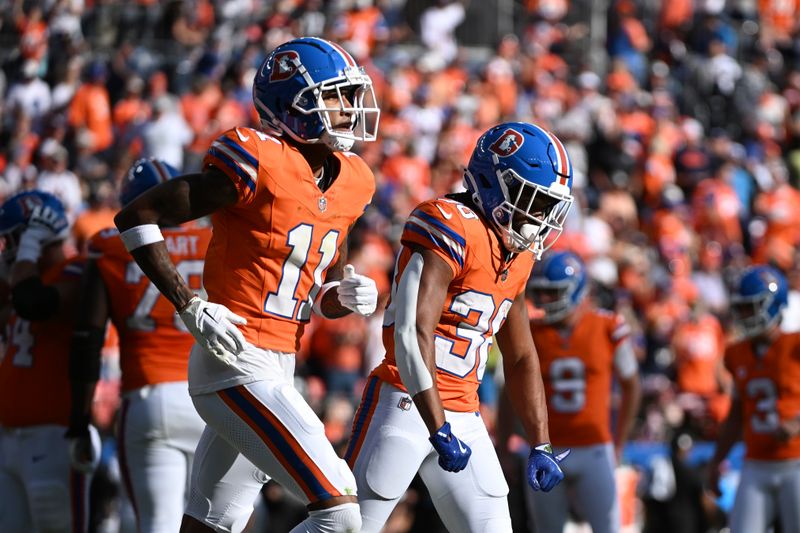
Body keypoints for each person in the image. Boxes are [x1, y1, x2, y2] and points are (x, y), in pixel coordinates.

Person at [113, 37, 381, 533]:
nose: (349, 109)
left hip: (279, 362)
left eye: (350, 95)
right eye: (335, 96)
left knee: (213, 523)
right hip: (234, 359)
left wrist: (340, 298)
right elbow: (137, 215)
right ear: (291, 106)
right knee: (341, 514)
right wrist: (191, 304)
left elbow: (311, 291)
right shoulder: (259, 157)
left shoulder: (353, 180)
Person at [345, 121, 574, 532]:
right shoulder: (450, 223)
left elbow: (521, 355)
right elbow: (414, 331)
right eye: (532, 199)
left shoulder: (515, 253)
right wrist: (437, 425)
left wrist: (541, 441)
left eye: (547, 205)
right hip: (406, 401)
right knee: (343, 526)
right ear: (493, 181)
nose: (539, 216)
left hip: (465, 412)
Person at [67, 159, 211, 532]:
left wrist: (80, 418)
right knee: (222, 520)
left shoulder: (110, 248)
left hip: (150, 397)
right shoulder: (214, 240)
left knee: (157, 524)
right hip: (215, 394)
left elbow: (88, 337)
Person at [0, 190, 100, 532]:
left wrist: (28, 249)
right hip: (10, 439)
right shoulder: (23, 280)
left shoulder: (77, 269)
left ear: (39, 233)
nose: (9, 248)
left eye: (14, 239)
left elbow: (35, 304)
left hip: (54, 436)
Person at [522, 250, 641, 533]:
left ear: (577, 290)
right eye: (542, 293)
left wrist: (619, 440)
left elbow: (632, 384)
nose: (546, 301)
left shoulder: (607, 326)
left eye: (554, 293)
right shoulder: (532, 331)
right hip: (547, 448)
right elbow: (512, 392)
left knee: (608, 528)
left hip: (594, 448)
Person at [707, 265, 800, 533]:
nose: (745, 315)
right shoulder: (737, 354)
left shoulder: (794, 346)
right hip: (756, 461)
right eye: (741, 308)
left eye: (752, 306)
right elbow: (736, 414)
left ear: (774, 305)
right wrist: (717, 461)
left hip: (796, 461)